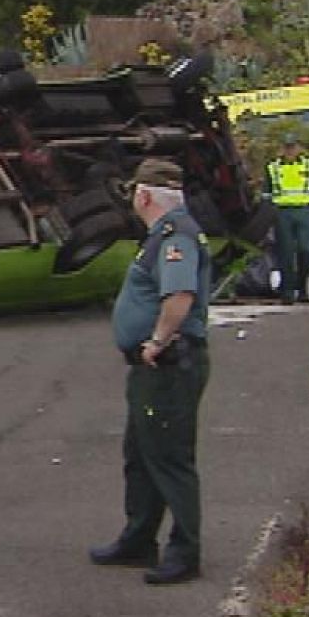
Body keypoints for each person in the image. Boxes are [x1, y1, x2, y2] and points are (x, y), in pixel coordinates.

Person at [89, 158, 211, 586]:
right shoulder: (163, 236)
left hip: (169, 364)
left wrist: (157, 341)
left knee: (169, 457)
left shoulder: (175, 237)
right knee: (140, 454)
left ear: (143, 196)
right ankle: (138, 537)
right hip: (155, 367)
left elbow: (179, 295)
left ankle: (184, 551)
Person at [265, 134, 309, 304]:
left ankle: (302, 289)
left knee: (305, 250)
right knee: (286, 252)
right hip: (283, 212)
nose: (289, 151)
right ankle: (287, 292)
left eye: (292, 147)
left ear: (298, 148)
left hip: (304, 210)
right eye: (287, 147)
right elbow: (267, 192)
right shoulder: (273, 168)